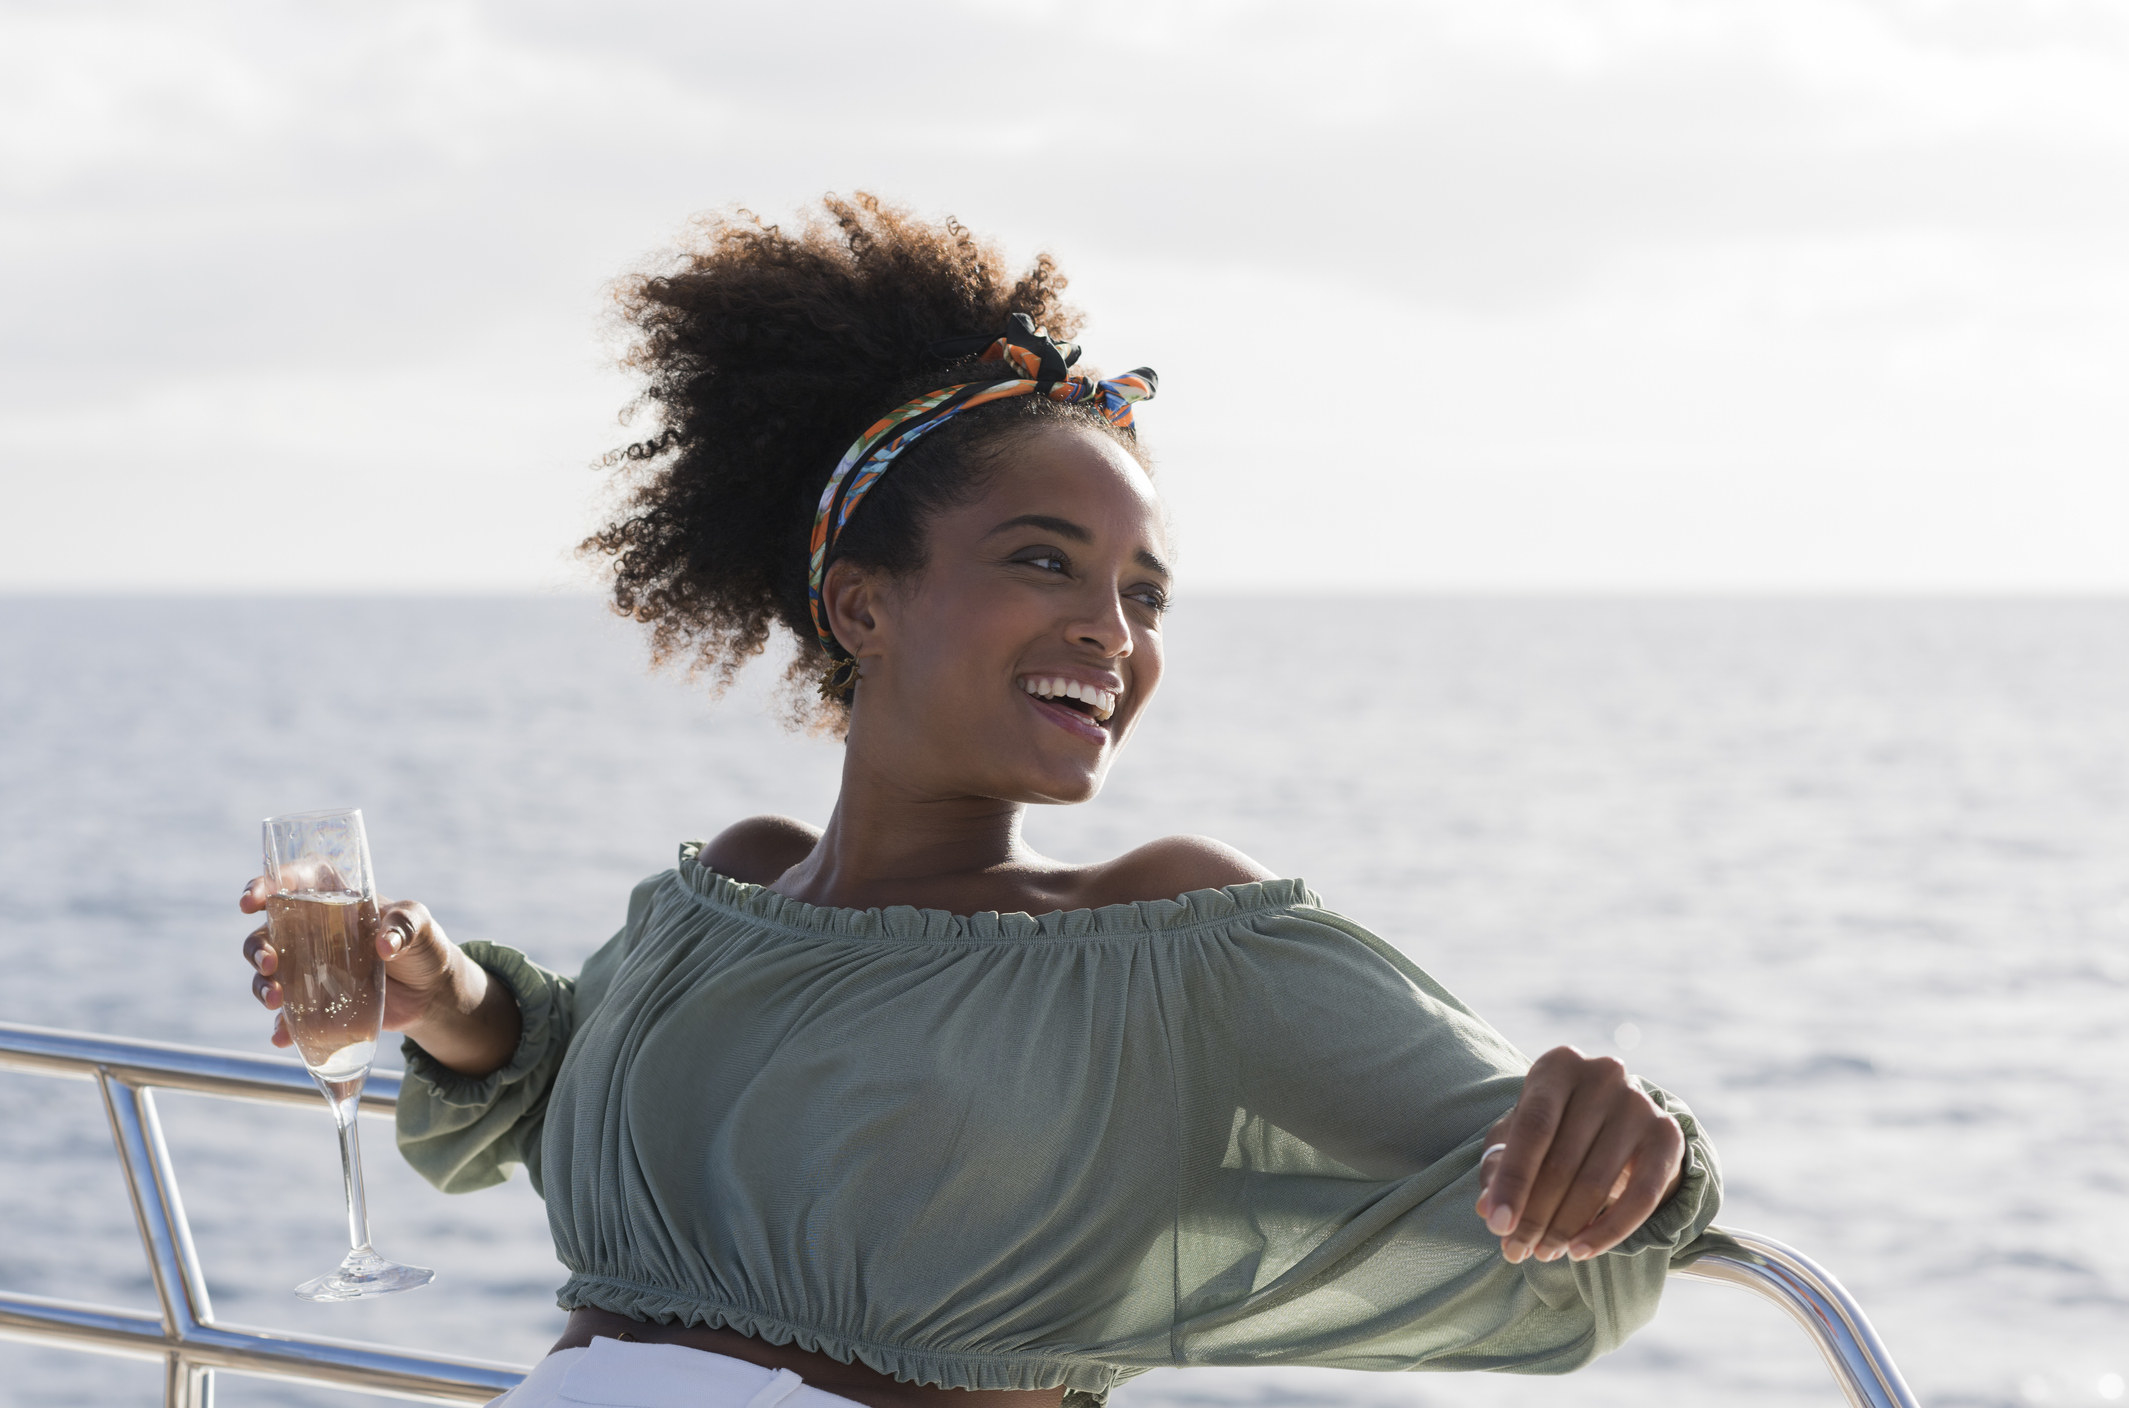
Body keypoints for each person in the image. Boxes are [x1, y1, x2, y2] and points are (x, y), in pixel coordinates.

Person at [239, 194, 1720, 1408]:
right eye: (1042, 561)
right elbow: (572, 1088)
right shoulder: (731, 898)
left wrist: (1624, 1128)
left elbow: (1558, 1216)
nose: (1111, 631)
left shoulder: (1163, 934)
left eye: (1143, 596)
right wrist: (441, 990)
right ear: (861, 606)